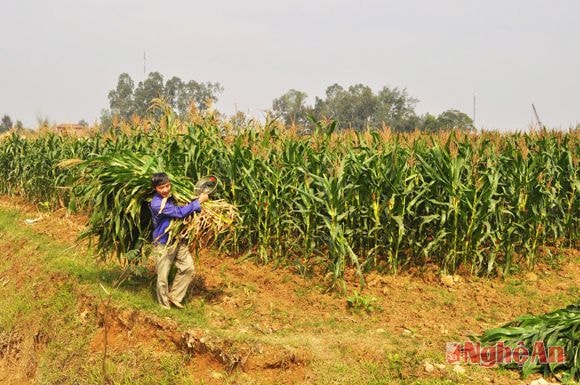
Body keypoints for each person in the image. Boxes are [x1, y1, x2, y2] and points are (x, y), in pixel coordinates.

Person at [150, 172, 209, 309]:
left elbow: (183, 205)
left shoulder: (174, 196)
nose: (165, 190)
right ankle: (164, 307)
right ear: (155, 189)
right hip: (163, 242)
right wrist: (199, 201)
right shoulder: (157, 204)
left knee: (188, 268)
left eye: (167, 186)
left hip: (178, 239)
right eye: (161, 188)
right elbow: (180, 212)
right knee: (163, 277)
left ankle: (175, 296)